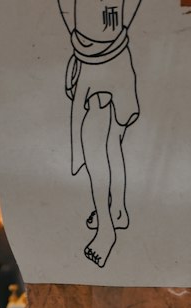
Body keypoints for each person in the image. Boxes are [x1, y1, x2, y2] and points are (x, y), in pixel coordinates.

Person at [58, 1, 142, 268]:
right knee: (110, 142)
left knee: (95, 145)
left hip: (104, 56)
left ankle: (106, 228)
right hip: (106, 54)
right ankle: (117, 210)